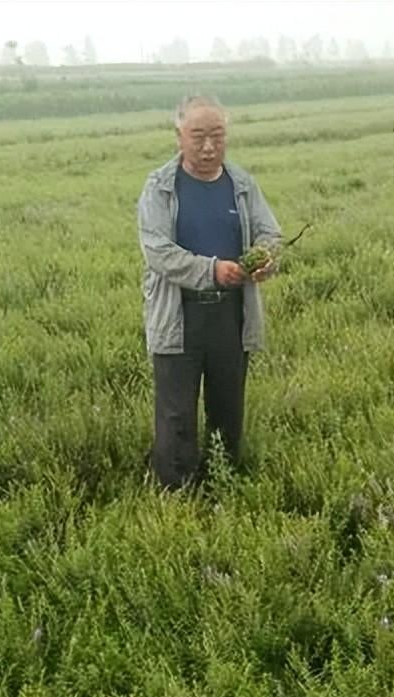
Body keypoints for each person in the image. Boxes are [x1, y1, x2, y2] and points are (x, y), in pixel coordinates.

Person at [137, 95, 281, 490]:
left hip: (231, 317)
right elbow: (159, 252)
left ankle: (223, 486)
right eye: (197, 136)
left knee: (228, 410)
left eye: (217, 136)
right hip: (179, 316)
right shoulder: (160, 188)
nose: (208, 146)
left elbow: (270, 232)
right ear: (179, 136)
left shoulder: (242, 185)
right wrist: (212, 271)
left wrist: (265, 258)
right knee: (176, 417)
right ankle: (176, 495)